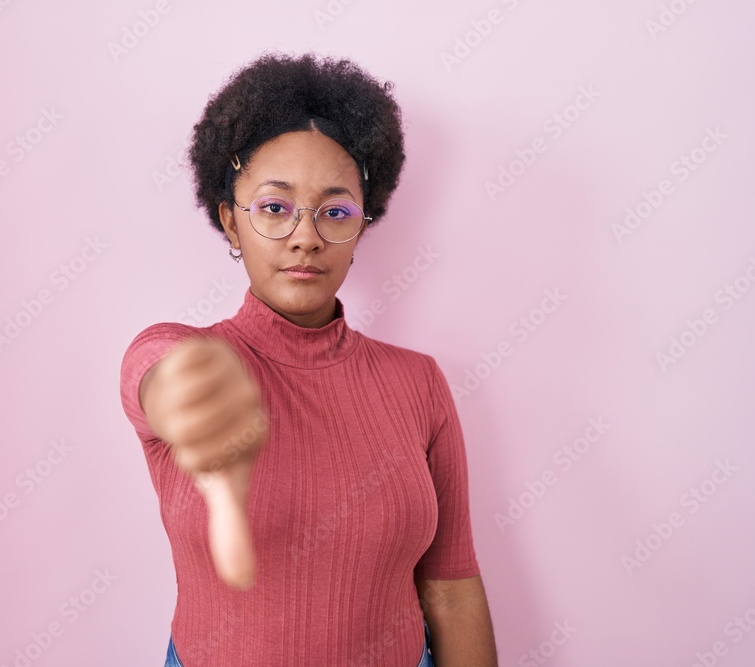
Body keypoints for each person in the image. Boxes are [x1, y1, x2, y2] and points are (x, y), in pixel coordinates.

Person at [120, 52, 497, 666]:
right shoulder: (190, 356)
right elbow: (152, 367)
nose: (305, 235)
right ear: (230, 223)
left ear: (361, 226)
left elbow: (451, 588)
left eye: (336, 210)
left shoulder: (419, 383)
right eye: (274, 208)